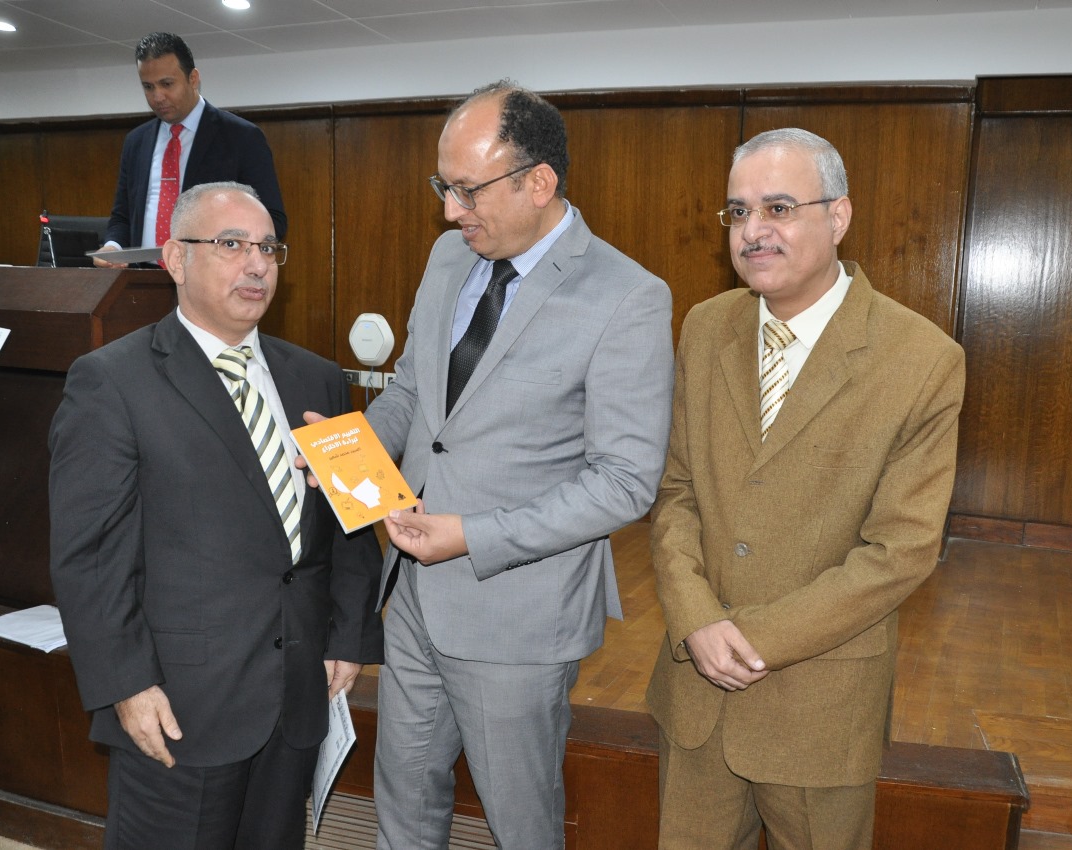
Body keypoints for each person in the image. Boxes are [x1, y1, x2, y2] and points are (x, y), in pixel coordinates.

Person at [363, 81, 674, 850]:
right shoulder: (448, 257)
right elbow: (414, 391)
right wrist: (350, 448)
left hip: (518, 615)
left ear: (539, 182)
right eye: (443, 187)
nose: (449, 212)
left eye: (467, 190)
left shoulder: (627, 296)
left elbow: (625, 482)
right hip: (413, 594)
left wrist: (473, 535)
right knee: (402, 800)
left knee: (520, 824)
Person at [646, 129, 966, 850]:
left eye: (779, 208)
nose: (753, 231)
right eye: (738, 212)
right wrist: (696, 618)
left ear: (838, 216)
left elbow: (901, 551)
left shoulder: (923, 360)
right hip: (695, 691)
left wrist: (753, 639)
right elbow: (678, 492)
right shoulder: (705, 327)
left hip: (821, 708)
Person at [50, 182, 382, 849]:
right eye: (232, 244)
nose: (257, 265)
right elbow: (91, 558)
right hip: (179, 707)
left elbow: (352, 520)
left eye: (269, 248)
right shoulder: (111, 381)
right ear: (176, 258)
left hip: (297, 696)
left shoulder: (317, 377)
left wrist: (349, 635)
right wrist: (127, 685)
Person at [93, 33, 285, 268]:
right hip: (140, 277)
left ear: (193, 79)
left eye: (167, 84)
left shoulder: (241, 137)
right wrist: (113, 247)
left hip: (212, 276)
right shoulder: (136, 142)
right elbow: (122, 217)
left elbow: (273, 220)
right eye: (148, 87)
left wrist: (227, 245)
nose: (157, 97)